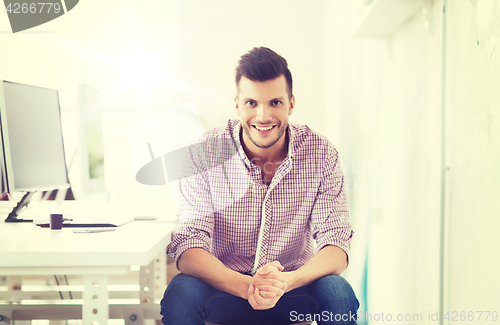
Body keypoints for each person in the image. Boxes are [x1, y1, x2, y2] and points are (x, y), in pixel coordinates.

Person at [160, 47, 359, 325]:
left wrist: (286, 282)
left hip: (290, 289)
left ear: (290, 104)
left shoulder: (321, 153)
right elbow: (189, 246)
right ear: (237, 104)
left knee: (339, 294)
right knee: (180, 294)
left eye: (275, 102)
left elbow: (336, 243)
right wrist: (247, 286)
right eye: (252, 103)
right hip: (225, 289)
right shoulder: (203, 152)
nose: (263, 116)